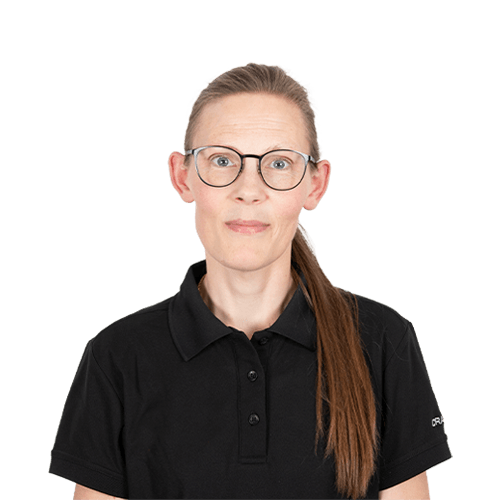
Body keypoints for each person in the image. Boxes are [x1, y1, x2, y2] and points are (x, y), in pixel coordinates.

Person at [49, 62, 452, 499]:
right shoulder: (116, 356)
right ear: (182, 176)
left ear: (316, 184)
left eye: (278, 163)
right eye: (223, 160)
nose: (249, 190)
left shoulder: (384, 340)